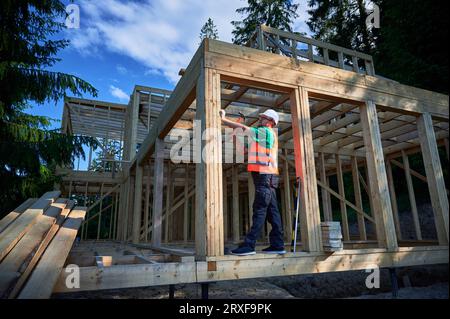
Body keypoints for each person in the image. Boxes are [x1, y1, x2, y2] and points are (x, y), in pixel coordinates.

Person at [219, 108, 285, 256]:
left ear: (271, 122)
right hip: (267, 178)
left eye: (264, 118)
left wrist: (224, 120)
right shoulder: (261, 139)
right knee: (272, 212)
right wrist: (234, 134)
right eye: (261, 117)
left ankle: (249, 245)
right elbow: (243, 151)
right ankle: (278, 245)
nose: (260, 119)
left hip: (265, 177)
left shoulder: (266, 132)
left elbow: (244, 128)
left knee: (259, 210)